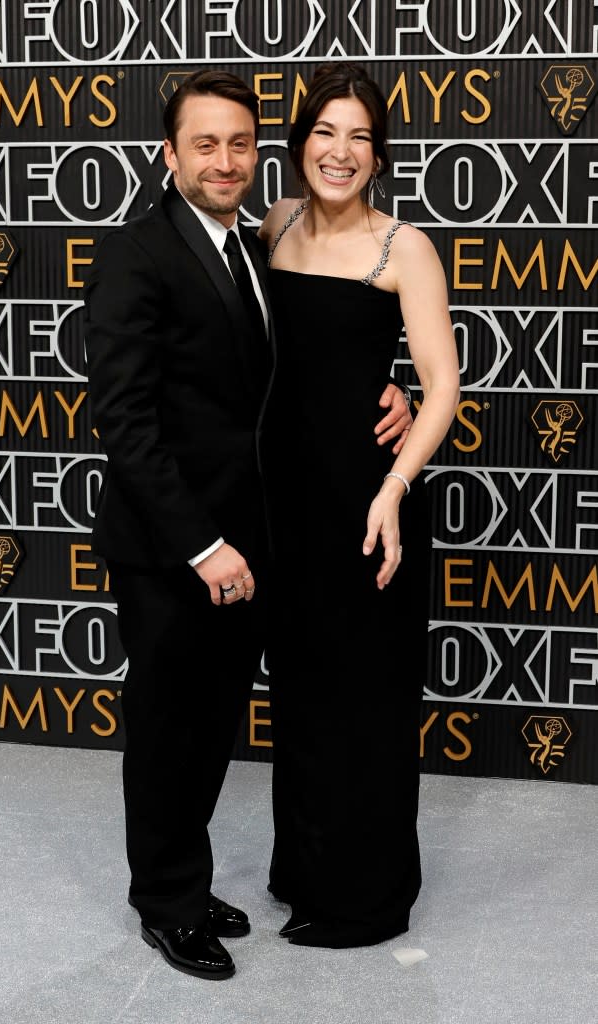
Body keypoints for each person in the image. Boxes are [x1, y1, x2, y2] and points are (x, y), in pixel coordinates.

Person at [84, 69, 412, 979]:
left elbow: (294, 364)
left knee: (211, 721)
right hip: (175, 546)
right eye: (205, 145)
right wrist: (201, 545)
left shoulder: (255, 241)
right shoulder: (136, 253)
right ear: (169, 153)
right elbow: (126, 422)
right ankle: (165, 904)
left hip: (254, 540)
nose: (224, 161)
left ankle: (185, 879)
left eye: (238, 144)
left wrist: (375, 386)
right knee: (165, 728)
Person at [258, 62, 460, 949]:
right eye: (324, 132)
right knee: (299, 690)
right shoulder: (269, 229)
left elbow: (442, 389)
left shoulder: (401, 246)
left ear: (378, 156)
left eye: (359, 138)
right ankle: (302, 870)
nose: (338, 152)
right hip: (280, 502)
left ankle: (365, 898)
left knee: (365, 699)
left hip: (364, 501)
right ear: (300, 141)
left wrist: (391, 487)